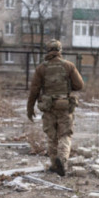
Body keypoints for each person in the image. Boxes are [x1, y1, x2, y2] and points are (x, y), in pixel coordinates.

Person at [26, 39, 84, 176]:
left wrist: (30, 108)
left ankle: (54, 164)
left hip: (48, 107)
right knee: (65, 134)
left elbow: (34, 90)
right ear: (60, 50)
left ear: (48, 51)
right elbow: (79, 85)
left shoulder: (41, 68)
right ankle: (62, 160)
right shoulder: (69, 66)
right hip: (64, 106)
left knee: (52, 136)